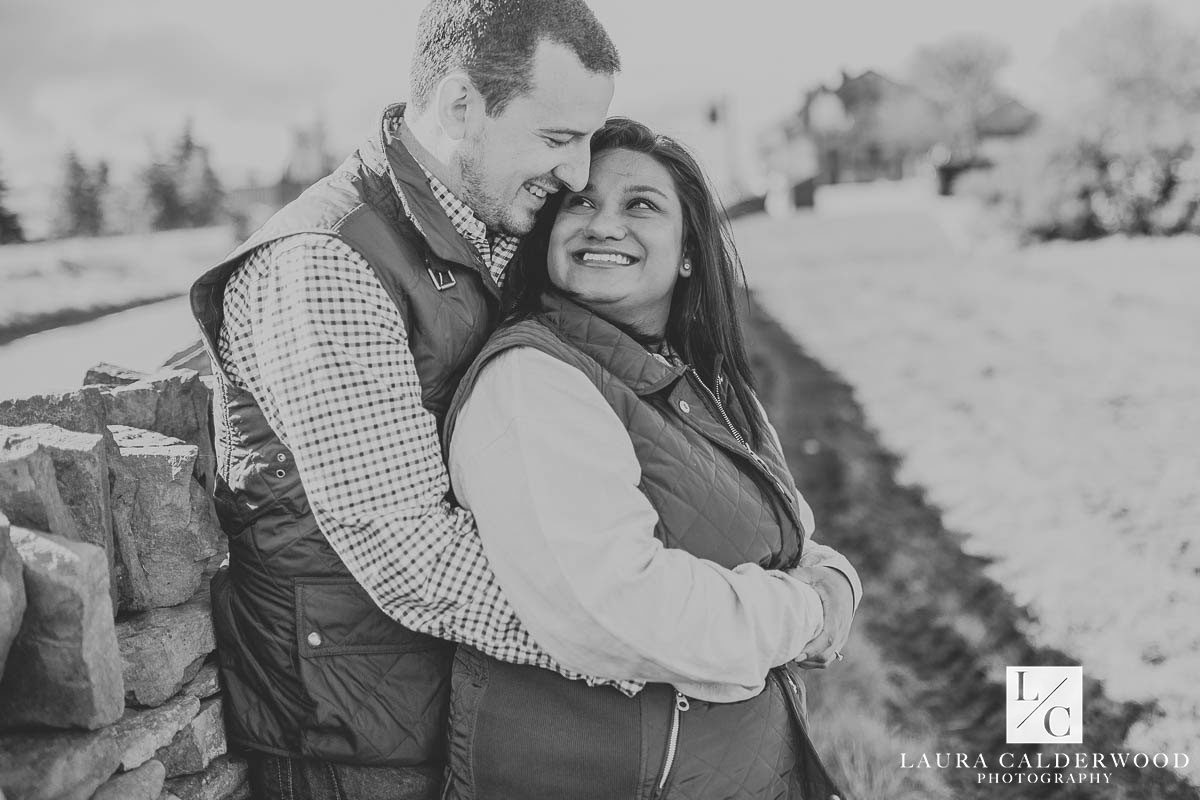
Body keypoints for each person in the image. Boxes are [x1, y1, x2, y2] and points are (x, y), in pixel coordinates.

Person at [188, 2, 622, 798]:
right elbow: (411, 556)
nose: (580, 173)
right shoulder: (327, 263)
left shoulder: (500, 225)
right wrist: (643, 636)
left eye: (590, 137)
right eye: (558, 138)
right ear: (461, 105)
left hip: (464, 712)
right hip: (361, 745)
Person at [441, 117, 862, 799]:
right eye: (580, 202)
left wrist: (839, 582)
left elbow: (792, 538)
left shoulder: (710, 383)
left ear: (690, 252)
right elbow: (621, 609)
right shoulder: (534, 380)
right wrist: (808, 615)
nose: (603, 224)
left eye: (640, 204)